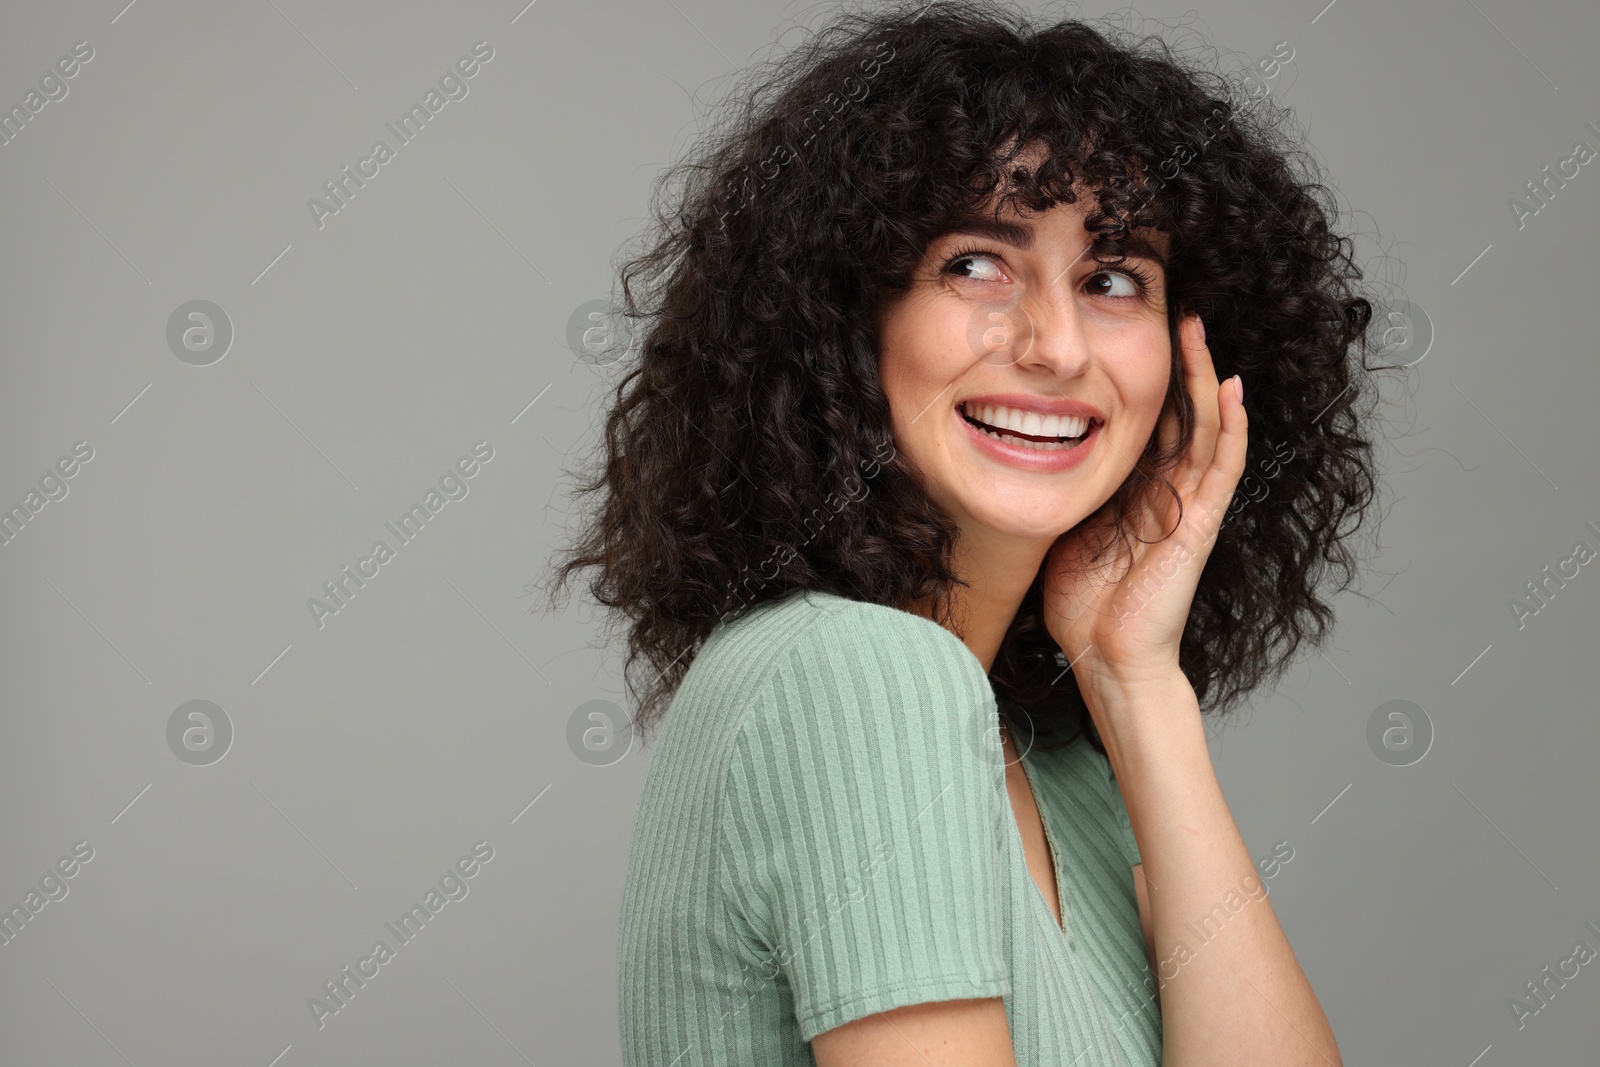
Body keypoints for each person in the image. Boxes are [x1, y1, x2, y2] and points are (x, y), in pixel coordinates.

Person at [546, 2, 1386, 1063]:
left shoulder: (1066, 765)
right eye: (977, 264)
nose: (1055, 345)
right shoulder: (858, 677)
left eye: (1112, 277)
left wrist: (1136, 684)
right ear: (848, 314)